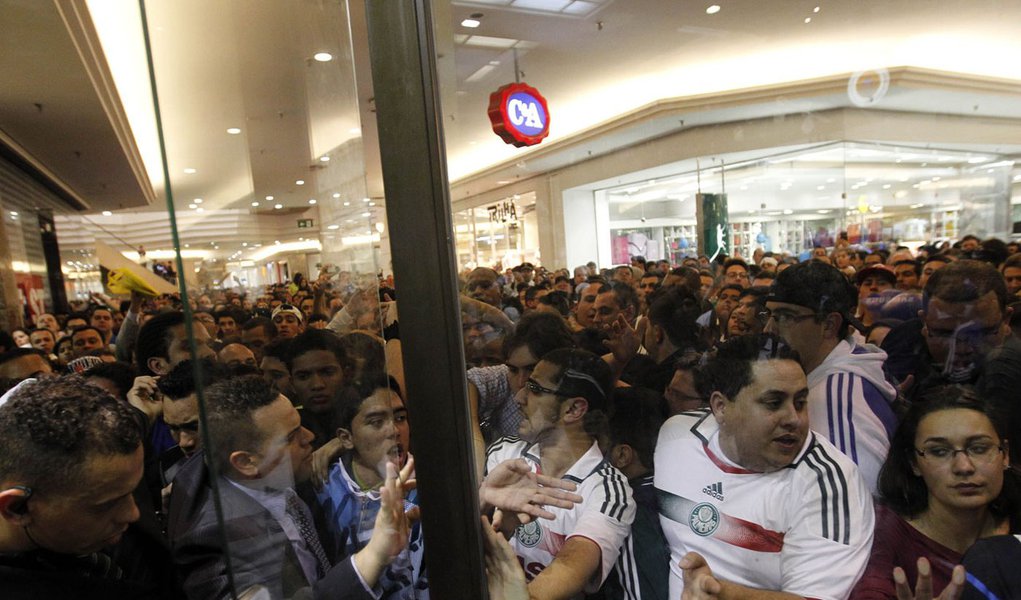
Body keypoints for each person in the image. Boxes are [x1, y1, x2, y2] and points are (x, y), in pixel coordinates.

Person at [656, 334, 874, 599]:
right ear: (721, 407)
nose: (794, 419)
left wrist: (722, 593)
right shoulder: (676, 437)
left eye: (801, 402)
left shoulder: (828, 483)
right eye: (774, 403)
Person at [167, 374, 407, 600]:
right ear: (246, 462)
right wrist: (373, 555)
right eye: (292, 436)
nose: (310, 436)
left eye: (300, 424)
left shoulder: (265, 473)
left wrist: (345, 444)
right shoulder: (212, 539)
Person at [484, 347, 634, 597]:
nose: (519, 397)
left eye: (534, 388)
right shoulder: (504, 454)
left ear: (574, 409)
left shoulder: (608, 492)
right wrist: (486, 504)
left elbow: (570, 566)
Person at [0, 376, 168, 599]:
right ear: (17, 507)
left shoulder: (96, 474)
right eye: (105, 506)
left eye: (133, 491)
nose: (132, 513)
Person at [851, 387, 1019, 600]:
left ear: (1005, 455)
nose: (963, 466)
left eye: (979, 448)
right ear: (914, 463)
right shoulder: (884, 536)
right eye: (939, 452)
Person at [766, 261, 898, 492]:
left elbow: (855, 507)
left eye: (785, 316)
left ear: (829, 325)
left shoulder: (836, 402)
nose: (769, 328)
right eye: (770, 314)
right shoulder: (835, 375)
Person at [317, 376, 426, 597]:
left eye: (400, 417)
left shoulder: (434, 481)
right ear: (346, 438)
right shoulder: (325, 489)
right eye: (376, 422)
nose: (394, 430)